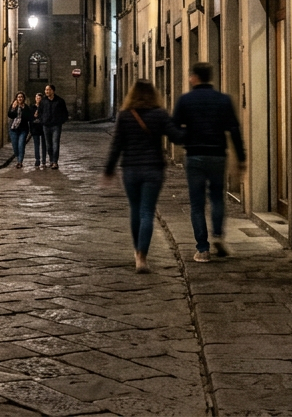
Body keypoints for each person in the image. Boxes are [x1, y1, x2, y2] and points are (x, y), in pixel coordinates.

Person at [103, 80, 185, 273]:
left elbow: (117, 145)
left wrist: (109, 170)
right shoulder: (160, 114)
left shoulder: (124, 116)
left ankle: (137, 251)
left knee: (135, 210)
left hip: (130, 169)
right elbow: (176, 137)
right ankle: (142, 256)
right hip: (153, 169)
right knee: (147, 212)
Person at [172, 62, 247, 262]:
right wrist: (241, 158)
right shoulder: (223, 100)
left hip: (195, 156)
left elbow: (173, 129)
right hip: (217, 155)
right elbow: (234, 130)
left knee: (197, 204)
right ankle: (218, 236)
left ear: (194, 77)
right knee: (217, 198)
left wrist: (185, 138)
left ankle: (203, 249)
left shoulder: (185, 101)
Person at [38, 84, 70, 169]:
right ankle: (51, 160)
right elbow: (40, 112)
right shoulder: (43, 101)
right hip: (46, 126)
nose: (46, 91)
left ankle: (55, 162)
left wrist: (61, 121)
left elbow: (65, 113)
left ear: (53, 91)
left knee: (55, 143)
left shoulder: (60, 101)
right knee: (49, 145)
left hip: (56, 126)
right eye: (46, 90)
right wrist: (42, 120)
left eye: (48, 90)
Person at [7, 92, 34, 168]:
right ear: (16, 98)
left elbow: (28, 118)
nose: (20, 98)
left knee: (21, 145)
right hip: (13, 129)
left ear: (24, 98)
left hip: (23, 129)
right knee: (15, 146)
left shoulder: (26, 108)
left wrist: (23, 110)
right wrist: (13, 108)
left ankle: (20, 162)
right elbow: (10, 115)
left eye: (21, 97)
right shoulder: (13, 106)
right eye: (18, 97)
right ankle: (18, 157)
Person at [30, 93, 45, 168]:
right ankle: (37, 159)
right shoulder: (32, 107)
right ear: (35, 98)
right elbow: (30, 118)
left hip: (43, 128)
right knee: (36, 144)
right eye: (37, 98)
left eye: (39, 98)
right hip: (35, 128)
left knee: (44, 145)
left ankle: (44, 160)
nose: (38, 99)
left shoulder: (44, 107)